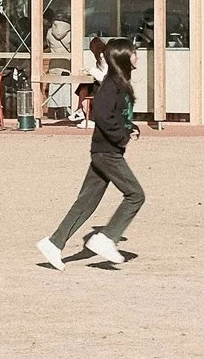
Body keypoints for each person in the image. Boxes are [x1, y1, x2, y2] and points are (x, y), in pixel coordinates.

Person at [37, 44, 145, 270]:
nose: (137, 56)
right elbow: (102, 116)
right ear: (123, 58)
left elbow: (117, 115)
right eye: (133, 52)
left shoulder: (120, 84)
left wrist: (130, 127)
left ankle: (53, 243)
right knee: (135, 195)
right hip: (106, 152)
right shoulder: (111, 84)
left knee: (86, 203)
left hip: (106, 151)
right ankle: (106, 239)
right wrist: (122, 136)